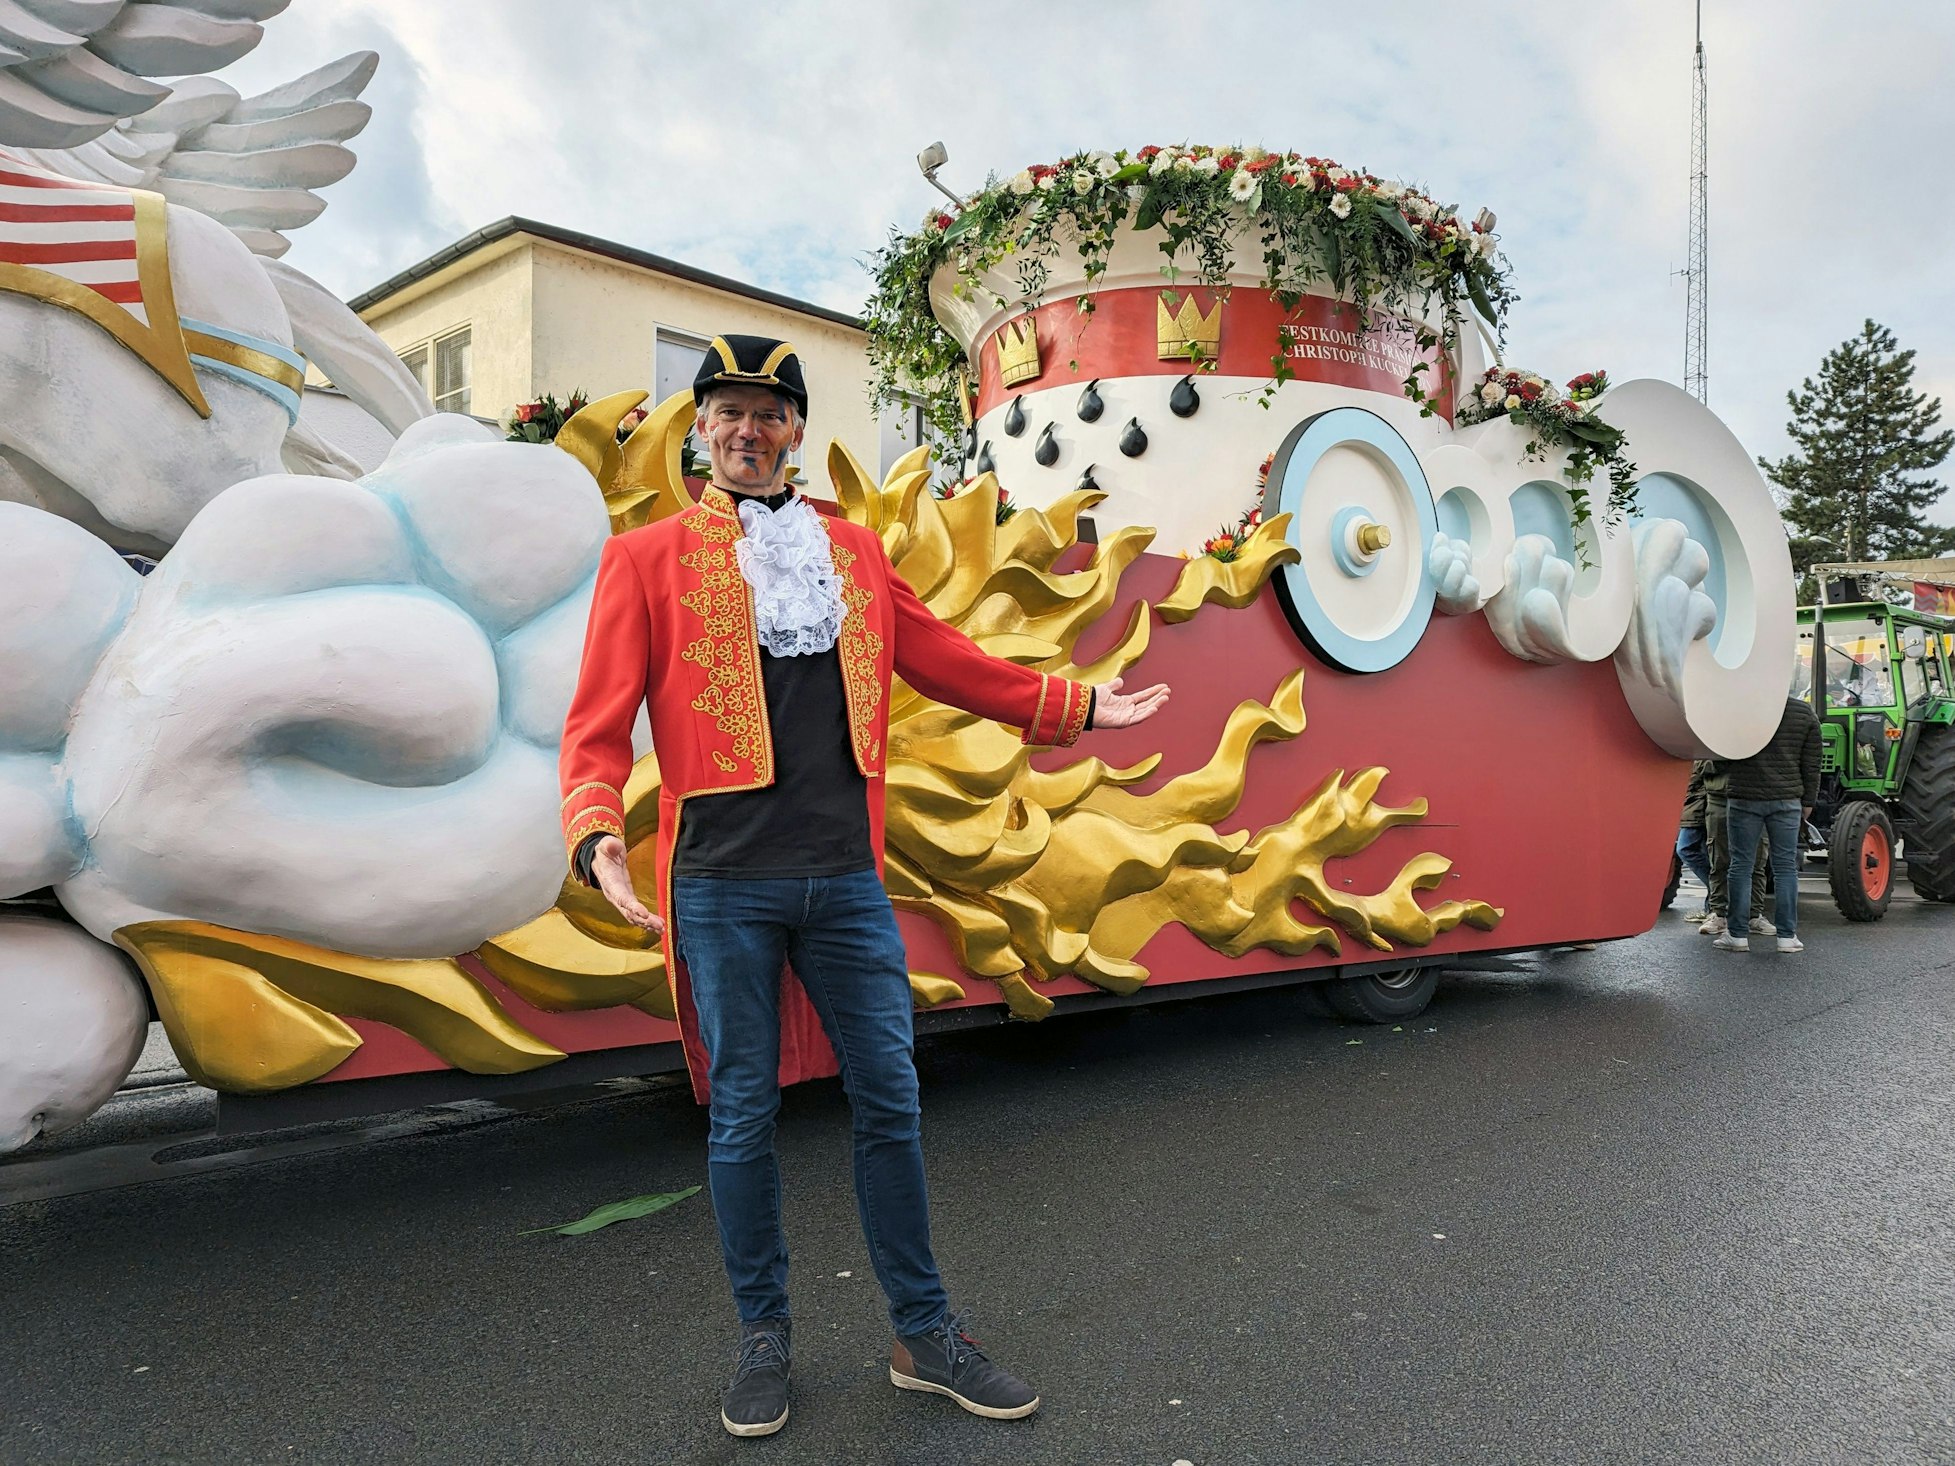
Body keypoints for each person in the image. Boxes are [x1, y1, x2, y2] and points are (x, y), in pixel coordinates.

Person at [557, 335, 1170, 1439]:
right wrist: (594, 829)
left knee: (889, 1098)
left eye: (768, 412)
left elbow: (943, 657)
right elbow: (594, 724)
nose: (747, 430)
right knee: (742, 1115)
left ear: (794, 428)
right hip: (721, 882)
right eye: (727, 412)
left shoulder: (851, 549)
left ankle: (921, 1333)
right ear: (700, 428)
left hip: (844, 878)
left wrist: (1069, 706)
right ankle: (761, 1339)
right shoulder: (643, 559)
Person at [1713, 691, 1823, 954]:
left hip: (1744, 797)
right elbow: (1812, 763)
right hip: (1787, 798)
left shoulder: (1740, 711)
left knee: (1741, 865)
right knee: (1786, 867)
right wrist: (1808, 801)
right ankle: (1787, 937)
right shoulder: (1803, 712)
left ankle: (1737, 935)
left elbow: (1721, 756)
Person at [1699, 759, 1770, 938]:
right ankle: (1719, 913)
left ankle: (1754, 915)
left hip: (1755, 795)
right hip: (1720, 795)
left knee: (1757, 859)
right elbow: (1700, 762)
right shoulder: (1710, 732)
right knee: (1719, 858)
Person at [1675, 762, 1711, 919]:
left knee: (1686, 848)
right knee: (1704, 853)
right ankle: (1713, 908)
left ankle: (1719, 893)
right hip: (1695, 803)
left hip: (1698, 804)